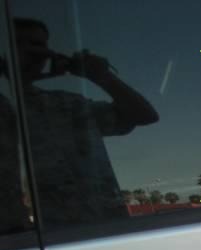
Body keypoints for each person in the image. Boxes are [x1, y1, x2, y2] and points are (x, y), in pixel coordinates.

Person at [14, 17, 158, 227]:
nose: (34, 52)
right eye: (18, 43)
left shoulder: (66, 105)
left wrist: (100, 76)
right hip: (27, 241)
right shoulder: (6, 108)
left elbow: (144, 116)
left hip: (105, 230)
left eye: (39, 46)